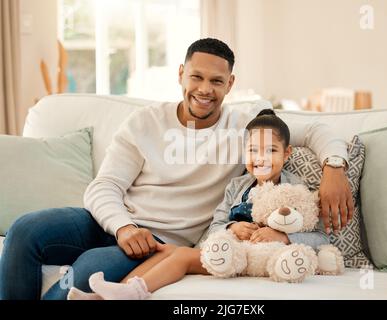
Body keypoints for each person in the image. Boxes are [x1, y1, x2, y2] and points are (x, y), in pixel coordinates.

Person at [0, 38, 353, 300]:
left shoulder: (245, 130)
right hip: (110, 221)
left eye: (216, 81)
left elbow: (316, 129)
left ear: (229, 85)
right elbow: (104, 186)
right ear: (181, 74)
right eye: (196, 77)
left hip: (159, 241)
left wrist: (334, 169)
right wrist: (123, 226)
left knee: (90, 268)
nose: (204, 90)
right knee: (26, 229)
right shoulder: (145, 122)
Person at [67, 109, 331, 300]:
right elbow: (214, 228)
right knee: (165, 250)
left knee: (181, 255)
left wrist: (283, 237)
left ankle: (125, 295)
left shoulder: (296, 190)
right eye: (253, 150)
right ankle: (108, 298)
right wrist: (230, 229)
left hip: (264, 260)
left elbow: (320, 238)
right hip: (230, 254)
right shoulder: (237, 187)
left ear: (287, 154)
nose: (260, 158)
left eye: (270, 151)